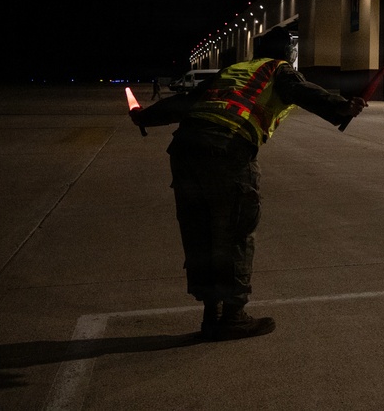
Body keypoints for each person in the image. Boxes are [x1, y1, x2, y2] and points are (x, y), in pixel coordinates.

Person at [129, 26, 367, 341]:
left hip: (185, 150)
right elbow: (301, 91)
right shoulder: (278, 69)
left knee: (200, 233)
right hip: (227, 150)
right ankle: (232, 318)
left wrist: (144, 117)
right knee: (233, 235)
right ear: (288, 53)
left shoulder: (234, 71)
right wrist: (340, 105)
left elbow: (188, 100)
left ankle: (210, 315)